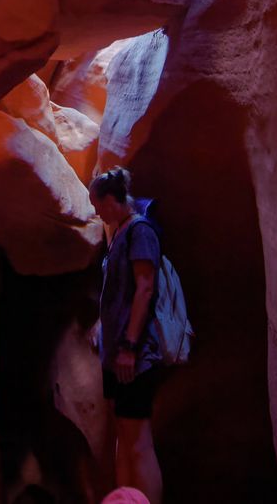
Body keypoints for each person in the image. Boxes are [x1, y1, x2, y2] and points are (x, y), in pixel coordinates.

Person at [89, 167, 163, 504]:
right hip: (117, 354)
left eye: (98, 204)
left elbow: (144, 288)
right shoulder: (119, 232)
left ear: (111, 200)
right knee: (124, 433)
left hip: (134, 356)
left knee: (138, 439)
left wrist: (130, 346)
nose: (96, 211)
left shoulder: (140, 231)